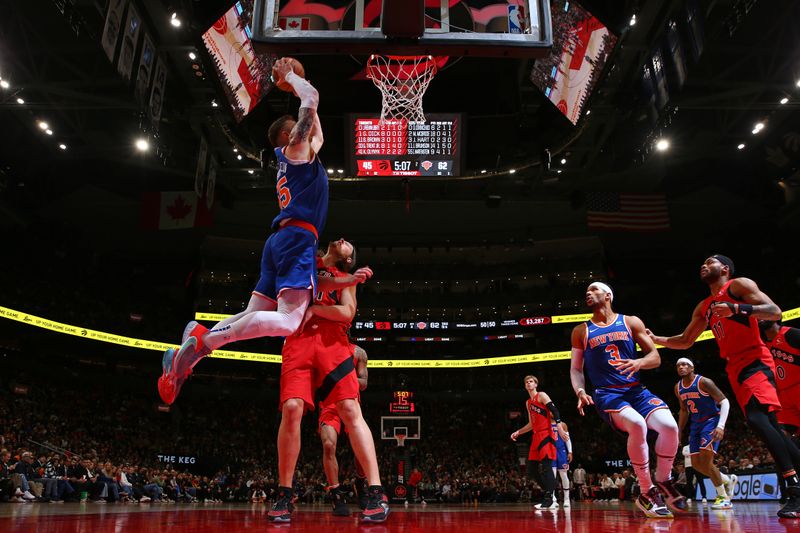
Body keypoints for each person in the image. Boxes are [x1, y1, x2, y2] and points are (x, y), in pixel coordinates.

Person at [158, 58, 366, 404]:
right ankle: (203, 339)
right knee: (288, 321)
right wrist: (293, 80)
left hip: (281, 241)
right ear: (289, 133)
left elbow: (318, 127)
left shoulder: (298, 157)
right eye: (302, 124)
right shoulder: (297, 149)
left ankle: (191, 348)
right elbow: (310, 100)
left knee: (251, 314)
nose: (311, 126)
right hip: (298, 240)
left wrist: (302, 78)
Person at [648, 254, 800, 518]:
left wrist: (739, 309)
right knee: (771, 426)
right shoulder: (704, 306)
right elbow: (685, 340)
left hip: (755, 360)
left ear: (725, 269)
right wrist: (656, 338)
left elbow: (774, 311)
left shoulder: (738, 286)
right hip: (734, 369)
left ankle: (794, 487)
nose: (703, 265)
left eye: (710, 262)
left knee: (757, 419)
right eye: (702, 264)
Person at [267, 240, 388, 523]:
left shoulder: (348, 278)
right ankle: (284, 493)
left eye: (350, 244)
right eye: (341, 239)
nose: (344, 240)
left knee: (349, 408)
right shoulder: (308, 262)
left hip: (334, 343)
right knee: (292, 407)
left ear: (349, 259)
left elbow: (347, 312)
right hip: (298, 340)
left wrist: (315, 310)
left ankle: (374, 490)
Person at [569, 282, 686, 518]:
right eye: (587, 292)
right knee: (637, 424)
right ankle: (646, 492)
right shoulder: (581, 331)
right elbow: (576, 369)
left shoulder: (630, 321)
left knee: (670, 426)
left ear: (608, 295)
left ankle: (664, 479)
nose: (589, 294)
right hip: (607, 393)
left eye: (594, 290)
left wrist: (639, 362)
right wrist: (580, 391)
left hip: (636, 390)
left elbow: (655, 356)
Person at [675, 357, 736, 509]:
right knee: (696, 464)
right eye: (678, 365)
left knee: (707, 462)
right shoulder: (678, 387)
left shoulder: (704, 382)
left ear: (692, 368)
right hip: (695, 425)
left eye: (684, 364)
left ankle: (723, 497)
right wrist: (679, 430)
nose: (681, 367)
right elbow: (683, 410)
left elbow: (725, 401)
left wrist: (720, 426)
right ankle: (726, 480)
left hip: (711, 422)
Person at [318, 344, 369, 516]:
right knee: (328, 445)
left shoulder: (359, 353)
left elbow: (363, 384)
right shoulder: (320, 349)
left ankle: (361, 483)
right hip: (329, 404)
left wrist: (344, 377)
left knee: (361, 450)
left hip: (351, 403)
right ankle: (336, 495)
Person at [510, 375, 569, 510]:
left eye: (531, 381)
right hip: (536, 436)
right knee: (531, 470)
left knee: (547, 466)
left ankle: (549, 499)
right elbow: (531, 424)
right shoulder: (528, 403)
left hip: (546, 434)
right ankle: (550, 491)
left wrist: (559, 425)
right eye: (526, 382)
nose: (529, 383)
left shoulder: (541, 395)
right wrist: (518, 432)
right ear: (525, 386)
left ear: (536, 384)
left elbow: (555, 410)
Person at [760, 321, 800, 436]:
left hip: (797, 386)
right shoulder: (761, 344)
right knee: (781, 436)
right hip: (782, 396)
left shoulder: (791, 334)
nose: (760, 318)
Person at [551, 419, 572, 507]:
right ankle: (553, 499)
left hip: (561, 451)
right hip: (550, 450)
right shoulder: (545, 424)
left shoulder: (562, 424)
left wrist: (570, 452)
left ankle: (567, 499)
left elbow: (567, 439)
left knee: (563, 475)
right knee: (552, 475)